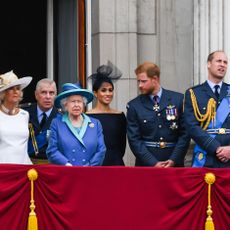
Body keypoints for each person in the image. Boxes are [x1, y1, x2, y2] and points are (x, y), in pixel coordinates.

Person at [126, 61, 190, 167]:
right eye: (138, 81)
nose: (140, 85)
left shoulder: (178, 99)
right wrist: (152, 163)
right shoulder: (134, 105)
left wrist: (174, 159)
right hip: (146, 165)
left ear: (155, 79)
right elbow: (134, 140)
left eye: (143, 81)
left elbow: (185, 134)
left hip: (174, 163)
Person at [184, 50, 230, 167]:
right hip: (206, 157)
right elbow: (191, 126)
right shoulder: (194, 93)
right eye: (218, 61)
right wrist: (216, 148)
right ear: (209, 64)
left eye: (225, 62)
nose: (222, 65)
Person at [46, 82, 106, 166]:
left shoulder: (95, 124)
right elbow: (52, 150)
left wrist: (89, 166)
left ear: (83, 104)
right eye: (73, 101)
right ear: (65, 104)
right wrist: (67, 164)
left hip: (90, 172)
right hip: (66, 172)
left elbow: (101, 149)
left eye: (79, 101)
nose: (76, 105)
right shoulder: (56, 123)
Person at [87, 65, 126, 165]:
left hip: (116, 164)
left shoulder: (120, 116)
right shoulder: (87, 116)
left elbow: (122, 146)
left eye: (110, 90)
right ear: (95, 93)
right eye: (103, 90)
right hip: (94, 165)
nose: (108, 93)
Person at [0, 70, 32, 164]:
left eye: (18, 88)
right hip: (3, 168)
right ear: (3, 93)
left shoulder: (24, 115)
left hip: (23, 167)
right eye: (11, 88)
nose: (15, 92)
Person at [24, 79, 59, 164]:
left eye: (51, 93)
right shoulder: (24, 113)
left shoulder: (61, 117)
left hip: (52, 164)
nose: (48, 97)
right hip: (27, 162)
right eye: (43, 92)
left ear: (56, 95)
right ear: (36, 95)